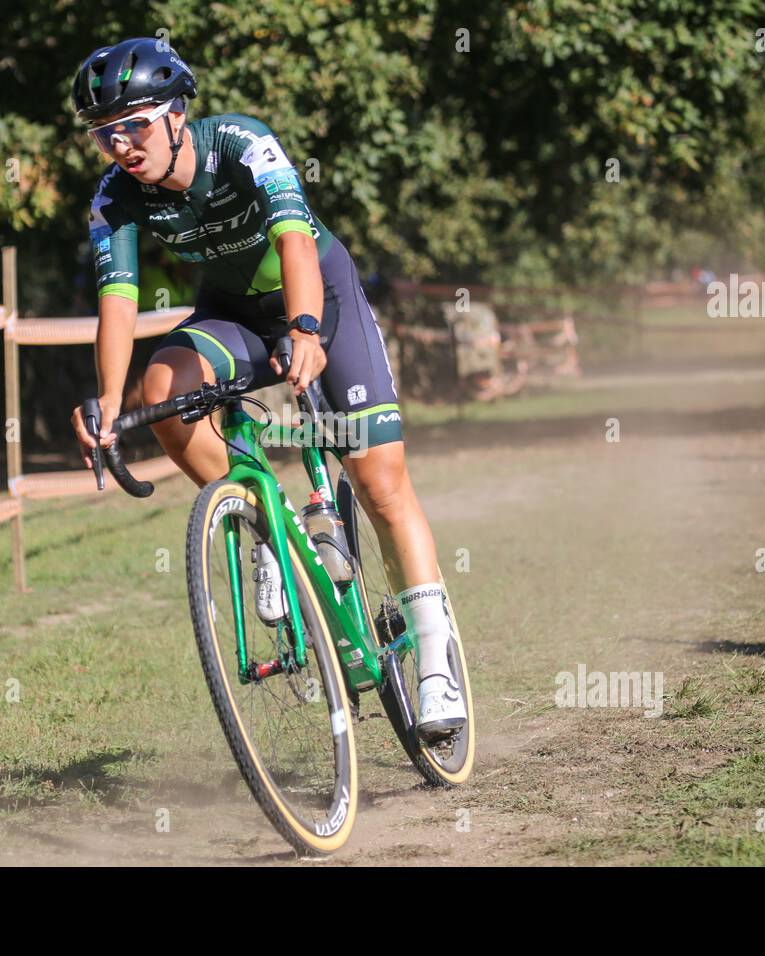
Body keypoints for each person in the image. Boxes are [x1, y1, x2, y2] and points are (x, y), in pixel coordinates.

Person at [66, 38, 466, 741]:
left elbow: (295, 243)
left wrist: (307, 330)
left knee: (378, 480)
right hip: (236, 314)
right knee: (162, 391)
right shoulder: (115, 198)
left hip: (320, 296)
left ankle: (436, 656)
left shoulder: (242, 144)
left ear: (178, 114)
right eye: (105, 132)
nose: (121, 144)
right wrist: (105, 399)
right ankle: (261, 524)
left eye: (135, 123)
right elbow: (119, 302)